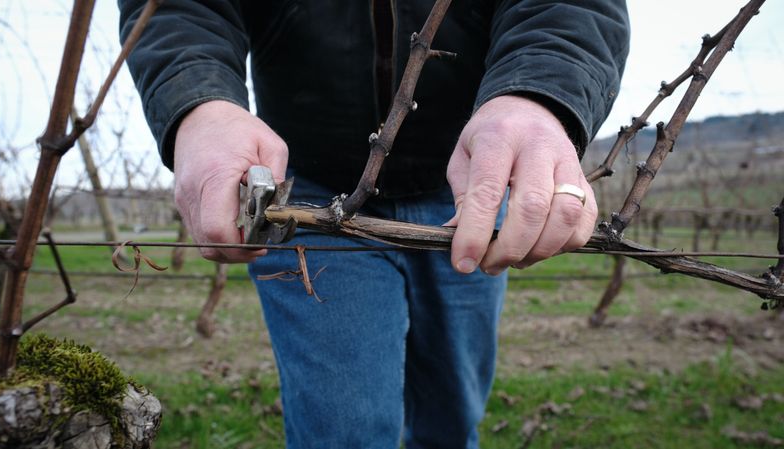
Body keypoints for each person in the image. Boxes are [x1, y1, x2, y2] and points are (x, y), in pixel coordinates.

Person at [119, 1, 629, 447]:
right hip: (309, 196)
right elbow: (182, 7)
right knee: (343, 432)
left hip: (469, 187)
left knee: (453, 417)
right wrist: (199, 102)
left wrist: (538, 92)